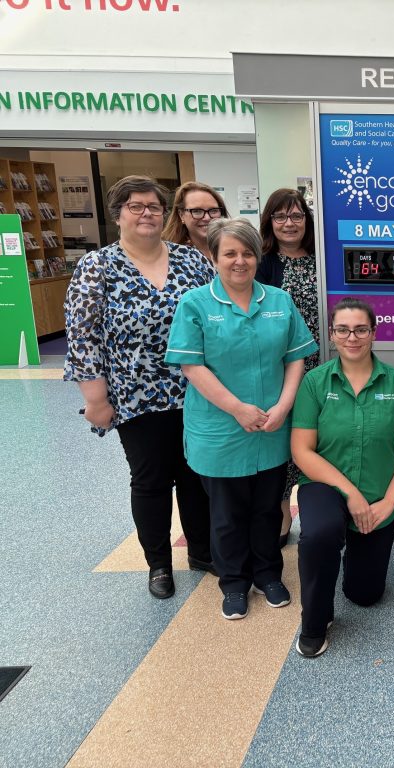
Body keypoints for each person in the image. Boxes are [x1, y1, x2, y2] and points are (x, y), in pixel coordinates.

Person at [65, 174, 214, 600]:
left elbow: (213, 315)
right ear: (118, 215)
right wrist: (95, 398)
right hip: (134, 395)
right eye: (136, 206)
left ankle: (202, 551)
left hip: (195, 390)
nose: (147, 213)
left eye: (154, 206)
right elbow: (82, 335)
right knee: (150, 480)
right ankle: (159, 564)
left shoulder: (190, 260)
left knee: (194, 474)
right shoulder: (98, 266)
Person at [165, 217, 317, 621]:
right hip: (220, 429)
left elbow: (296, 357)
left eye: (248, 252)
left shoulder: (279, 302)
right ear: (214, 257)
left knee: (268, 508)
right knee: (227, 514)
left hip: (271, 425)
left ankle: (268, 574)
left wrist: (284, 406)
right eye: (229, 253)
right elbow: (192, 368)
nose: (240, 261)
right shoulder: (195, 304)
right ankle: (232, 582)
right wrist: (237, 408)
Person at [290, 298, 394, 658]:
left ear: (373, 333)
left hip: (379, 494)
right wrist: (351, 494)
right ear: (332, 335)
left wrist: (390, 502)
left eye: (361, 329)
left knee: (365, 596)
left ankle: (349, 556)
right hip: (325, 485)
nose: (353, 337)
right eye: (343, 329)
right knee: (319, 535)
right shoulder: (315, 382)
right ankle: (315, 621)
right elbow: (302, 450)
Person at [256, 189, 321, 547]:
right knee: (283, 443)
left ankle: (320, 515)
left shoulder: (321, 257)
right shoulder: (264, 263)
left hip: (324, 364)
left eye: (296, 216)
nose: (289, 223)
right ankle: (281, 519)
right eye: (280, 217)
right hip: (282, 369)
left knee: (320, 439)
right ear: (269, 223)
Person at [161, 181, 228, 263]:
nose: (207, 218)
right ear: (181, 215)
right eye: (197, 211)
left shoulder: (237, 247)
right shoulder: (170, 257)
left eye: (213, 210)